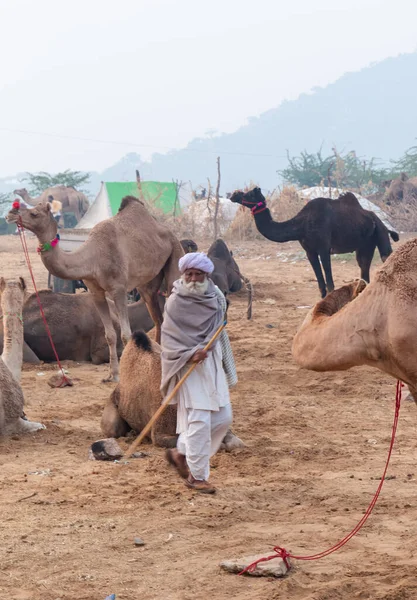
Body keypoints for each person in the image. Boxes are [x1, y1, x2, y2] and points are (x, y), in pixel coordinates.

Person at [161, 252, 237, 494]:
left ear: (207, 275)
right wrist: (190, 353)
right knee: (199, 421)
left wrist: (207, 351)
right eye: (189, 274)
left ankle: (181, 451)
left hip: (211, 362)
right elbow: (169, 340)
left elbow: (219, 328)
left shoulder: (215, 297)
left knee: (223, 417)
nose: (193, 279)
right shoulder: (174, 302)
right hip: (188, 366)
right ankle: (197, 476)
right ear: (183, 275)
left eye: (198, 274)